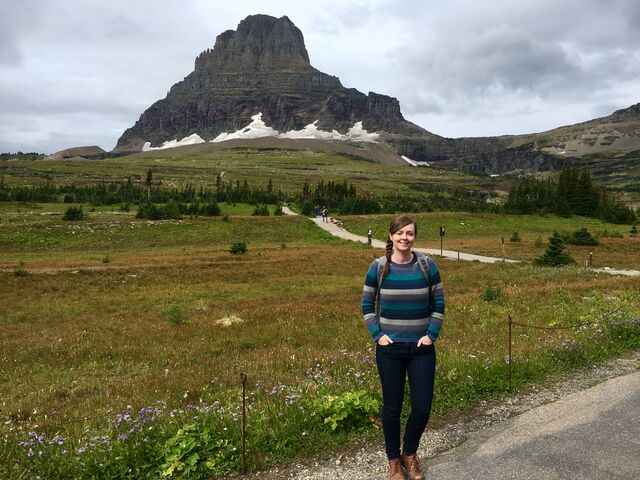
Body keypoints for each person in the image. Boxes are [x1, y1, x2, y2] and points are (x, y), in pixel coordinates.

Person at [361, 215, 445, 480]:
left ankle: (410, 453)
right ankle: (393, 461)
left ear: (414, 237)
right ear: (390, 235)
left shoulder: (427, 265)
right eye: (400, 233)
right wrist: (378, 335)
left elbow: (439, 304)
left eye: (409, 233)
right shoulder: (379, 267)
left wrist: (431, 335)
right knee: (392, 408)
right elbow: (366, 305)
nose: (404, 238)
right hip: (390, 350)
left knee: (422, 407)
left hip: (421, 348)